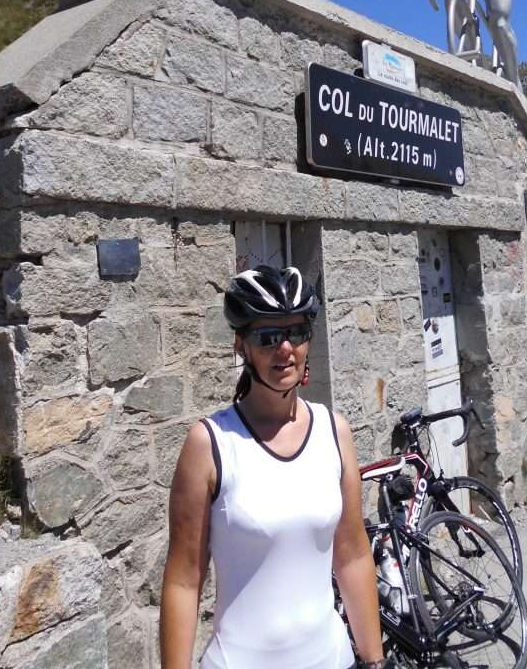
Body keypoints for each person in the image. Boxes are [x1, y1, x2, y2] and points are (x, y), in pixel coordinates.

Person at [160, 264, 386, 669]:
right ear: (240, 345)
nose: (285, 348)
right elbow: (183, 579)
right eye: (267, 336)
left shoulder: (335, 433)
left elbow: (351, 554)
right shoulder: (210, 443)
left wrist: (374, 660)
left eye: (296, 333)